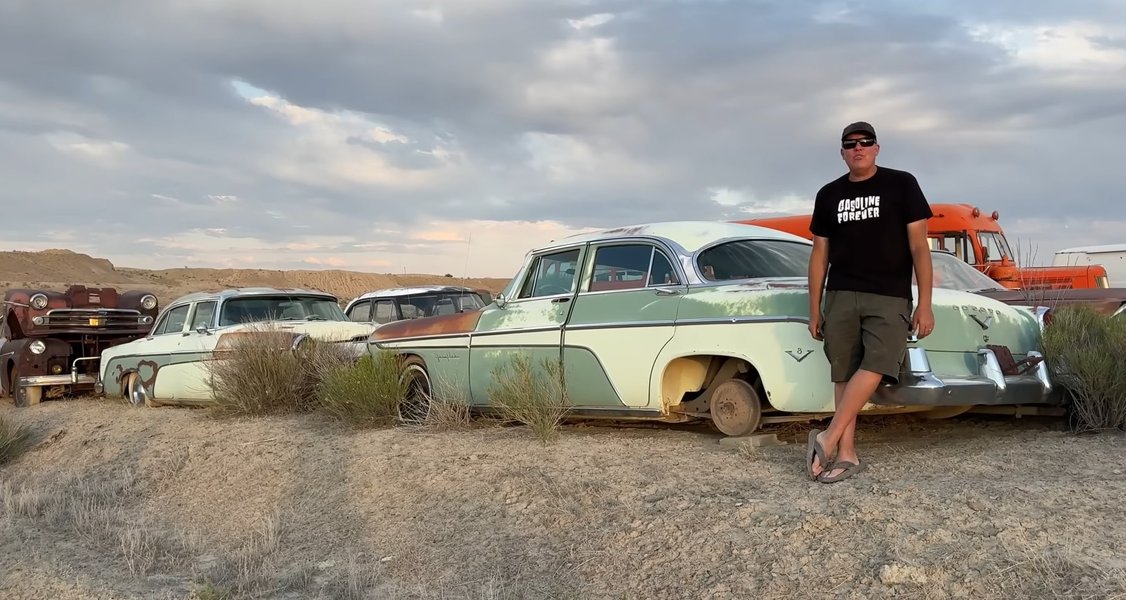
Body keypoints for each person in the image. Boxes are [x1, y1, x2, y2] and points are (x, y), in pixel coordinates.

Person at [805, 121, 935, 483]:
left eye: (866, 142)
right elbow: (819, 255)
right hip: (841, 294)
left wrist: (925, 302)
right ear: (842, 152)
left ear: (877, 148)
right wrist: (814, 308)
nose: (858, 148)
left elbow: (919, 248)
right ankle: (846, 453)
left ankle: (827, 436)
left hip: (889, 294)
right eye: (850, 144)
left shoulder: (901, 184)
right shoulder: (828, 194)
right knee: (843, 372)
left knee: (878, 363)